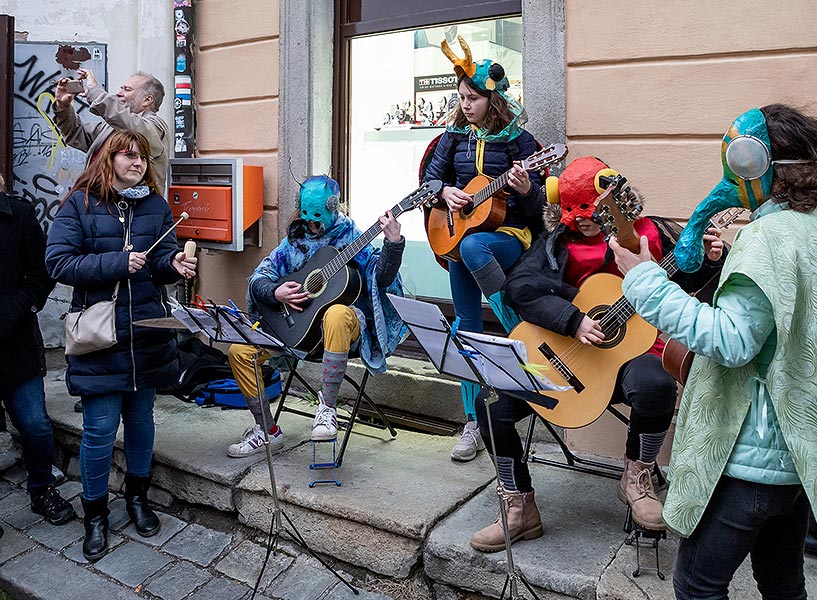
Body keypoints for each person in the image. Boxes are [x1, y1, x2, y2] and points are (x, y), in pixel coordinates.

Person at [610, 105, 817, 599]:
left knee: (698, 585)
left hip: (750, 460)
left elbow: (731, 341)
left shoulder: (768, 237)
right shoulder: (816, 227)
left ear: (754, 164)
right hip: (795, 457)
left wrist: (644, 279)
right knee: (782, 581)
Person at [468, 156, 725, 552]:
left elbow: (688, 281)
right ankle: (520, 505)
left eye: (589, 211)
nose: (581, 221)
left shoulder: (651, 234)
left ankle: (636, 476)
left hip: (634, 353)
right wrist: (573, 319)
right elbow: (520, 288)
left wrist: (711, 261)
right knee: (493, 402)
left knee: (655, 384)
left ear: (614, 200)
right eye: (571, 212)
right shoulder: (558, 242)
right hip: (569, 353)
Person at [45, 130, 197, 562]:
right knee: (98, 430)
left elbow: (162, 259)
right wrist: (117, 262)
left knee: (141, 422)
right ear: (107, 158)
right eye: (127, 155)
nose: (137, 163)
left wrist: (175, 264)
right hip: (100, 337)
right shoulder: (81, 204)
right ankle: (95, 516)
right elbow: (57, 262)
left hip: (147, 332)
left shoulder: (155, 206)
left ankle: (137, 499)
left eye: (142, 157)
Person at [422, 36, 546, 462]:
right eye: (461, 97)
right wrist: (445, 193)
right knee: (466, 328)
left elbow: (540, 206)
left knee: (476, 244)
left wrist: (528, 188)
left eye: (472, 97)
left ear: (492, 99)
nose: (465, 104)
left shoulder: (521, 142)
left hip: (510, 239)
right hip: (459, 238)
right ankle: (473, 422)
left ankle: (516, 327)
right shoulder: (452, 137)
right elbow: (428, 184)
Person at [226, 175, 407, 455]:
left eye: (317, 219)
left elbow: (379, 279)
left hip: (346, 333)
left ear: (334, 209)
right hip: (299, 332)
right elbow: (259, 278)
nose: (311, 226)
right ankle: (267, 431)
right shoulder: (295, 242)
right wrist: (275, 292)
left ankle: (327, 409)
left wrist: (393, 244)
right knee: (239, 350)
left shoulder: (353, 238)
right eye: (306, 217)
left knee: (335, 313)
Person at [0, 174, 76, 527]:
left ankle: (41, 488)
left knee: (35, 425)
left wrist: (15, 310)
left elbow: (42, 274)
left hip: (15, 346)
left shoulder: (18, 215)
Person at [53, 69, 170, 191]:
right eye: (121, 88)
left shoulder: (155, 126)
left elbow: (134, 130)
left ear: (147, 100)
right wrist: (63, 107)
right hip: (99, 203)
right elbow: (76, 134)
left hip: (134, 207)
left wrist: (95, 92)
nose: (119, 93)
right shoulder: (113, 126)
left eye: (127, 89)